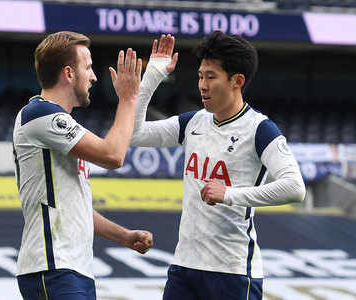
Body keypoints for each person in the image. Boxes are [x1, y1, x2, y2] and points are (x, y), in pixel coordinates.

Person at [131, 32, 306, 300]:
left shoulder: (260, 129)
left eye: (211, 77)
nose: (202, 84)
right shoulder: (193, 122)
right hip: (184, 266)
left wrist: (230, 194)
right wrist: (153, 76)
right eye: (201, 76)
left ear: (237, 81)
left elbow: (295, 188)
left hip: (232, 272)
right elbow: (134, 134)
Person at [12, 31, 153, 300]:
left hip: (71, 270)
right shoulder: (39, 113)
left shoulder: (59, 125)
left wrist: (123, 236)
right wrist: (128, 99)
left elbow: (75, 208)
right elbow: (113, 155)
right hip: (53, 268)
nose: (94, 76)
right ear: (68, 73)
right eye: (87, 67)